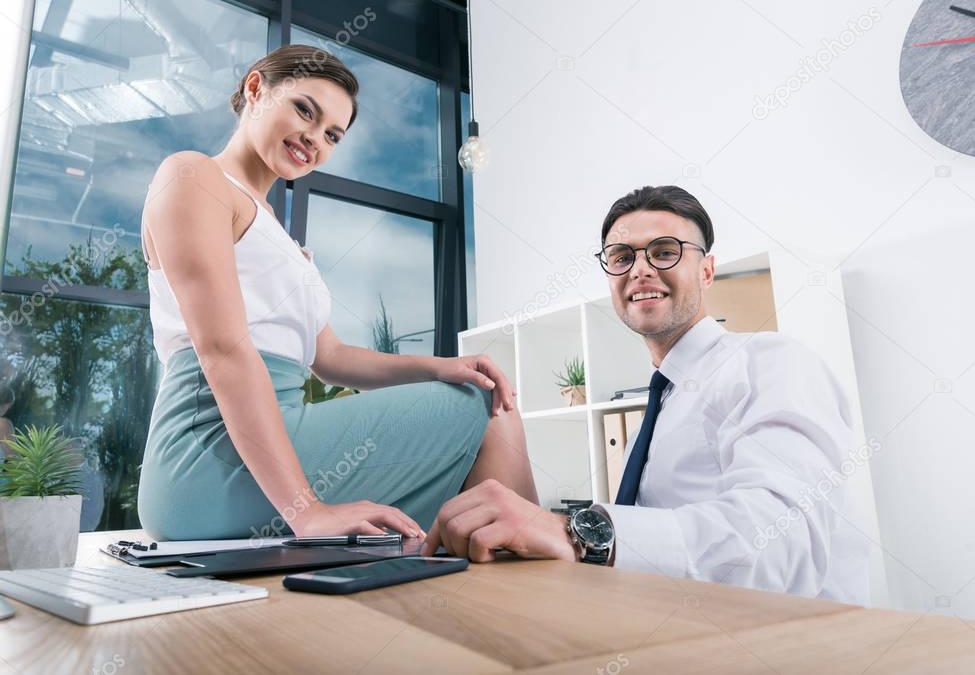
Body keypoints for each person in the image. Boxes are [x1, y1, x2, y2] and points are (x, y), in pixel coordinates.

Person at [137, 45, 538, 541]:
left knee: (478, 391)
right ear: (256, 88)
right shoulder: (194, 175)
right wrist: (308, 512)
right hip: (206, 450)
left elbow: (330, 357)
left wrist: (441, 366)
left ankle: (477, 585)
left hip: (278, 431)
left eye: (332, 135)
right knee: (484, 410)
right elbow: (222, 350)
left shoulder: (281, 238)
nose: (314, 139)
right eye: (305, 110)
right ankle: (540, 582)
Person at [423, 185, 871, 605]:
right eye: (621, 257)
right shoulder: (663, 405)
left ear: (707, 271)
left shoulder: (771, 362)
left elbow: (779, 544)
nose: (640, 269)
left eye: (664, 252)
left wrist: (578, 533)